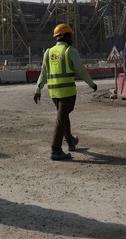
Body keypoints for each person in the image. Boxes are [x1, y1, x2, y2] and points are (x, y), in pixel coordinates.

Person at [34, 23, 97, 160]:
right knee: (61, 118)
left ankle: (70, 141)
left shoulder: (48, 52)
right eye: (70, 36)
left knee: (63, 116)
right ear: (66, 36)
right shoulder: (70, 51)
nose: (72, 38)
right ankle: (55, 150)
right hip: (67, 92)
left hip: (54, 93)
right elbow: (82, 70)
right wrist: (91, 84)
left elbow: (43, 73)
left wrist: (38, 89)